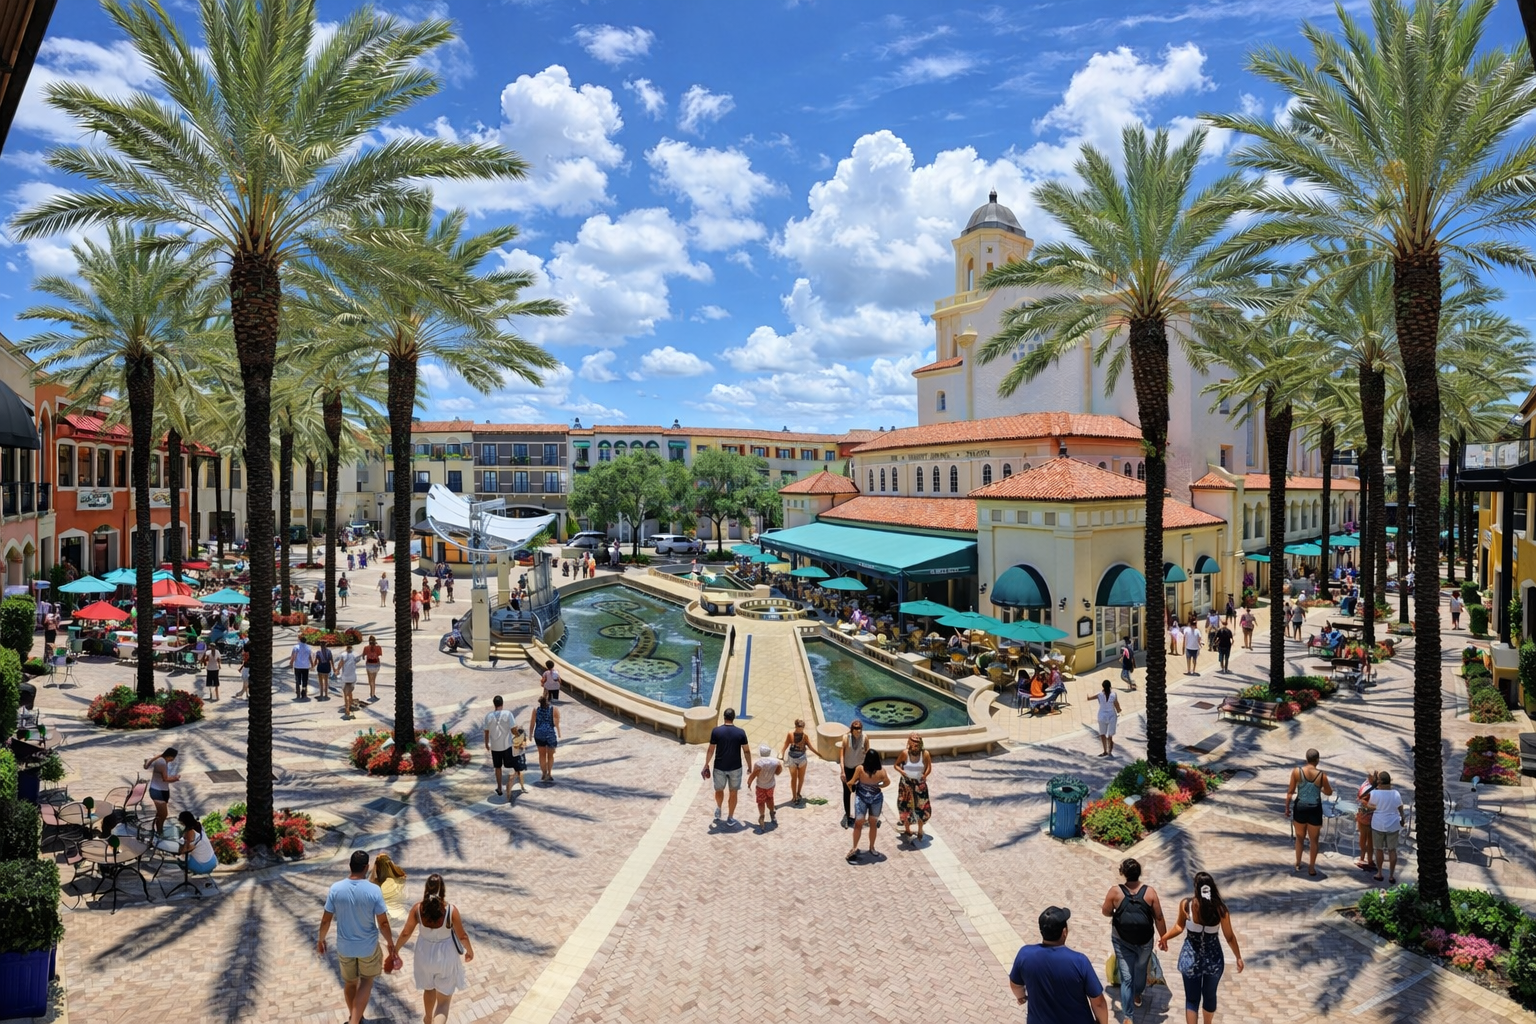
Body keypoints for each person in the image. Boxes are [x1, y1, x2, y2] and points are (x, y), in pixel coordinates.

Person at [317, 850, 395, 1024]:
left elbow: (325, 921)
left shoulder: (336, 888)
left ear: (350, 866)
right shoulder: (374, 890)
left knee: (350, 983)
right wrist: (390, 943)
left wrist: (321, 940)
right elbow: (383, 923)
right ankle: (354, 1021)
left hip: (345, 948)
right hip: (368, 947)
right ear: (366, 867)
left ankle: (356, 1018)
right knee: (366, 980)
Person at [1159, 872, 1244, 1024]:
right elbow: (1229, 937)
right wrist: (1238, 957)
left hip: (1190, 959)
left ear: (1196, 889)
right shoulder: (1221, 910)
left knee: (1192, 999)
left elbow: (1179, 926)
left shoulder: (1187, 905)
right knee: (1210, 996)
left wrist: (1165, 937)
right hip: (1213, 960)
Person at [1008, 906, 1110, 1024]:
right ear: (1064, 932)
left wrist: (1021, 997)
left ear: (1041, 931)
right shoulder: (1079, 961)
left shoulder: (1024, 955)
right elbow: (1098, 1003)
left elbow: (1015, 984)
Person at [395, 874, 474, 1024]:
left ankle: (428, 1018)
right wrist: (470, 951)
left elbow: (406, 932)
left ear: (426, 888)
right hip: (445, 957)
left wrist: (396, 950)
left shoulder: (418, 909)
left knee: (429, 988)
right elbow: (462, 936)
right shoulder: (451, 911)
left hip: (424, 955)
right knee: (443, 1002)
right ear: (443, 890)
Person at [1101, 858, 1167, 1024]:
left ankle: (1128, 1017)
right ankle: (1137, 995)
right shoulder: (1150, 892)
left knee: (1126, 978)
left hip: (1121, 941)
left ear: (1123, 874)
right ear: (1139, 873)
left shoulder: (1115, 892)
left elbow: (1106, 911)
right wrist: (1163, 938)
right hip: (1145, 942)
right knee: (1140, 968)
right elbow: (1158, 917)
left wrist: (1117, 913)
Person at [1285, 748, 1333, 876]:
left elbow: (1290, 792)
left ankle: (1298, 862)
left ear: (1306, 759)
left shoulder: (1297, 772)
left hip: (1300, 807)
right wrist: (1321, 789)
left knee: (1299, 838)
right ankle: (1311, 868)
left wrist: (1287, 808)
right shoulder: (1322, 775)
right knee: (1314, 841)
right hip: (1315, 808)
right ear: (1317, 760)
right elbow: (1329, 792)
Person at [704, 707, 751, 826]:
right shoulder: (741, 732)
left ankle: (719, 808)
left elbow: (710, 750)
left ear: (724, 717)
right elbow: (746, 751)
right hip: (735, 767)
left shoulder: (716, 731)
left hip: (719, 767)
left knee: (719, 790)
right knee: (733, 792)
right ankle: (730, 817)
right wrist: (750, 766)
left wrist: (706, 764)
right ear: (733, 718)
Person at [845, 747, 889, 863]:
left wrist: (849, 785)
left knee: (858, 823)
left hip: (862, 798)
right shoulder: (882, 772)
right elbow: (887, 782)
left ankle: (855, 847)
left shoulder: (860, 769)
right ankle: (871, 847)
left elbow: (852, 781)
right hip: (876, 799)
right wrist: (878, 786)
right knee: (873, 823)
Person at [155, 810, 218, 892]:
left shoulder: (190, 833)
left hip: (203, 866)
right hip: (212, 860)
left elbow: (184, 850)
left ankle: (192, 872)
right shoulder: (198, 825)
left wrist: (174, 851)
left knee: (181, 859)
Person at [1362, 769, 1405, 884]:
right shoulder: (1396, 793)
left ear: (1379, 782)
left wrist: (1373, 807)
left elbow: (1369, 805)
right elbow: (1400, 807)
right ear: (1390, 782)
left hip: (1378, 824)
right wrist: (1403, 819)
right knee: (1392, 850)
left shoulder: (1375, 793)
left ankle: (1379, 873)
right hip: (1393, 824)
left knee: (1379, 849)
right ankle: (1391, 876)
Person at [896, 732, 932, 842]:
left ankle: (920, 829)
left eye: (917, 741)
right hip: (906, 784)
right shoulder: (904, 753)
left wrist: (925, 775)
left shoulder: (925, 754)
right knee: (905, 807)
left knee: (921, 807)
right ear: (909, 742)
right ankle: (907, 829)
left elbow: (929, 767)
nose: (915, 743)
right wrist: (902, 772)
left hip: (919, 785)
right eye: (913, 741)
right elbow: (896, 765)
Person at [835, 719, 869, 828]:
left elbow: (867, 753)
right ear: (852, 729)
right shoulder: (846, 738)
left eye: (859, 728)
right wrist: (842, 771)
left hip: (859, 769)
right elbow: (842, 756)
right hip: (848, 768)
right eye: (855, 728)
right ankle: (848, 815)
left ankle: (859, 815)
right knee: (847, 792)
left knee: (860, 793)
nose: (857, 730)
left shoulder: (865, 738)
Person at [483, 695, 516, 797]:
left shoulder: (488, 716)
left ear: (494, 704)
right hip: (506, 746)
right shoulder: (508, 714)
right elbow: (513, 729)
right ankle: (509, 785)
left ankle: (499, 788)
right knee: (512, 767)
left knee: (498, 767)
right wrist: (519, 736)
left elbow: (486, 732)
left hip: (495, 746)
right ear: (502, 703)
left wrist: (486, 744)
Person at [144, 747, 180, 837]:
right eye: (173, 758)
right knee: (163, 814)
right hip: (157, 791)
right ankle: (159, 832)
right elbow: (165, 778)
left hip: (163, 790)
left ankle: (158, 829)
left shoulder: (163, 761)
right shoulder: (161, 762)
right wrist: (175, 779)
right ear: (170, 756)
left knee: (160, 814)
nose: (173, 760)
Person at [746, 743, 782, 830]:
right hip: (770, 785)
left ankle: (762, 817)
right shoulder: (775, 762)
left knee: (761, 802)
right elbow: (778, 771)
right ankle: (772, 813)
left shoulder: (758, 763)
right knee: (770, 798)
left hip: (760, 786)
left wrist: (749, 783)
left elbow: (754, 774)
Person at [530, 693, 561, 783]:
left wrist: (530, 734)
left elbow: (532, 723)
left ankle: (544, 773)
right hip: (550, 734)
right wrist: (559, 732)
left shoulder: (536, 710)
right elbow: (556, 723)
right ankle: (549, 773)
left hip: (539, 734)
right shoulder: (554, 709)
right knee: (550, 756)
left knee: (542, 755)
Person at [780, 718, 811, 807]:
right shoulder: (790, 734)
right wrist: (781, 754)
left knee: (801, 778)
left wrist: (818, 753)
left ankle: (798, 793)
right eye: (798, 728)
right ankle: (794, 796)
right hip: (792, 759)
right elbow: (785, 745)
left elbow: (810, 746)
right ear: (796, 727)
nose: (800, 730)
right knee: (794, 778)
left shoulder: (805, 736)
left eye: (801, 729)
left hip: (802, 758)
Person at [1355, 770, 1380, 871]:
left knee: (1364, 838)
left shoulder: (1367, 787)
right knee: (1369, 840)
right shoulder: (1375, 789)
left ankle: (1364, 858)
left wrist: (1373, 807)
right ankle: (1368, 860)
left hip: (1365, 817)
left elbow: (1361, 799)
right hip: (1371, 817)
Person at [372, 852, 408, 920]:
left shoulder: (378, 884)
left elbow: (371, 880)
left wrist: (374, 866)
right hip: (401, 913)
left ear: (378, 868)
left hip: (387, 915)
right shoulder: (401, 878)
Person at [1095, 681, 1121, 758]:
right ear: (1110, 686)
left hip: (1101, 715)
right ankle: (1109, 750)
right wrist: (1119, 710)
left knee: (1102, 733)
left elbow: (1090, 697)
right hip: (1111, 715)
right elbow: (1116, 704)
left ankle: (1105, 751)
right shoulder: (1114, 694)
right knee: (1110, 734)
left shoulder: (1099, 694)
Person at [337, 642, 359, 719]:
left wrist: (337, 670)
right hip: (352, 677)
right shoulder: (355, 654)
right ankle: (350, 704)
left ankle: (347, 708)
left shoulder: (343, 655)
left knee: (346, 694)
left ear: (346, 648)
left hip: (345, 677)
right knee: (350, 692)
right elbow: (357, 660)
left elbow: (340, 664)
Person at [509, 725, 529, 794]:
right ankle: (522, 787)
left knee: (518, 773)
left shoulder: (516, 740)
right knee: (518, 773)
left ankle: (522, 787)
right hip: (517, 758)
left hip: (518, 757)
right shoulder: (515, 740)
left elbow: (523, 745)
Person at [363, 636, 383, 702]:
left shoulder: (366, 648)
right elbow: (379, 655)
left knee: (370, 679)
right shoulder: (378, 647)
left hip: (369, 664)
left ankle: (371, 692)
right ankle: (372, 694)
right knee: (373, 680)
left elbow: (363, 656)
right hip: (375, 664)